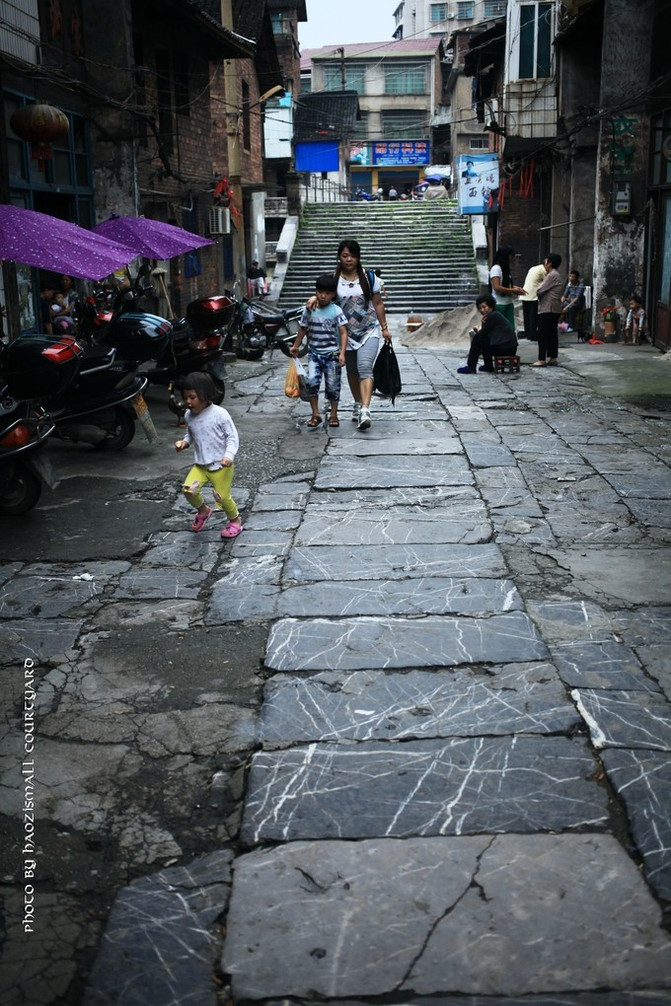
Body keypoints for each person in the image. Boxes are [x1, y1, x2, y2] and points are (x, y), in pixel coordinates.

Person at [308, 239, 391, 431]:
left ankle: (365, 409)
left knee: (364, 367)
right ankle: (356, 402)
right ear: (339, 257)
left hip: (368, 330)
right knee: (352, 372)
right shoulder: (334, 279)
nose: (349, 259)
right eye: (345, 256)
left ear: (358, 257)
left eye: (353, 255)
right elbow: (323, 295)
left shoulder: (370, 278)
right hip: (345, 333)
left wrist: (384, 328)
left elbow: (378, 304)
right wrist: (313, 298)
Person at [175, 372, 242, 538]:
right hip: (201, 465)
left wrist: (229, 456)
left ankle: (235, 521)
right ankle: (203, 511)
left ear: (205, 395)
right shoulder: (188, 416)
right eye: (185, 397)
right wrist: (184, 443)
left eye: (192, 397)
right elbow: (191, 433)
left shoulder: (219, 414)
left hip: (221, 464)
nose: (188, 402)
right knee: (188, 490)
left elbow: (232, 437)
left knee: (222, 497)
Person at [290, 274, 348, 429]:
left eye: (327, 293)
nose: (323, 296)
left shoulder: (336, 310)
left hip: (332, 355)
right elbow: (303, 329)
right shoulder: (309, 310)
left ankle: (334, 414)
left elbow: (343, 332)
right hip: (314, 354)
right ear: (315, 291)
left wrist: (342, 353)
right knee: (312, 384)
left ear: (333, 294)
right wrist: (296, 346)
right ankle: (315, 414)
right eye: (320, 292)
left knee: (333, 386)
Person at [457, 294, 518, 374]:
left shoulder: (493, 316)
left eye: (484, 307)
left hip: (505, 349)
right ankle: (488, 366)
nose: (482, 310)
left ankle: (471, 367)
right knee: (483, 340)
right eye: (480, 308)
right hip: (509, 348)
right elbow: (486, 335)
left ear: (491, 306)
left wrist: (479, 329)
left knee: (476, 338)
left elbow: (482, 334)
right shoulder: (495, 315)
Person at [533, 252, 563, 367]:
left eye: (545, 261)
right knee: (551, 334)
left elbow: (539, 290)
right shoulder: (555, 274)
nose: (544, 263)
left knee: (543, 334)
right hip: (553, 308)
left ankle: (541, 359)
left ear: (549, 263)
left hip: (548, 308)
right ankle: (552, 357)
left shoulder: (552, 275)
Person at [489, 246, 526, 327]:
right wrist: (513, 290)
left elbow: (506, 284)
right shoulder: (496, 269)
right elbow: (497, 287)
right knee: (500, 328)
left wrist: (516, 288)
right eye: (512, 256)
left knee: (510, 328)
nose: (513, 259)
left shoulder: (504, 269)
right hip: (499, 304)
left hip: (508, 303)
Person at [520, 261, 547, 341]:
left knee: (527, 315)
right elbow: (547, 282)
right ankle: (533, 334)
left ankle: (528, 333)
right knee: (532, 316)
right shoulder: (543, 270)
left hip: (525, 293)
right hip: (532, 294)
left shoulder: (533, 268)